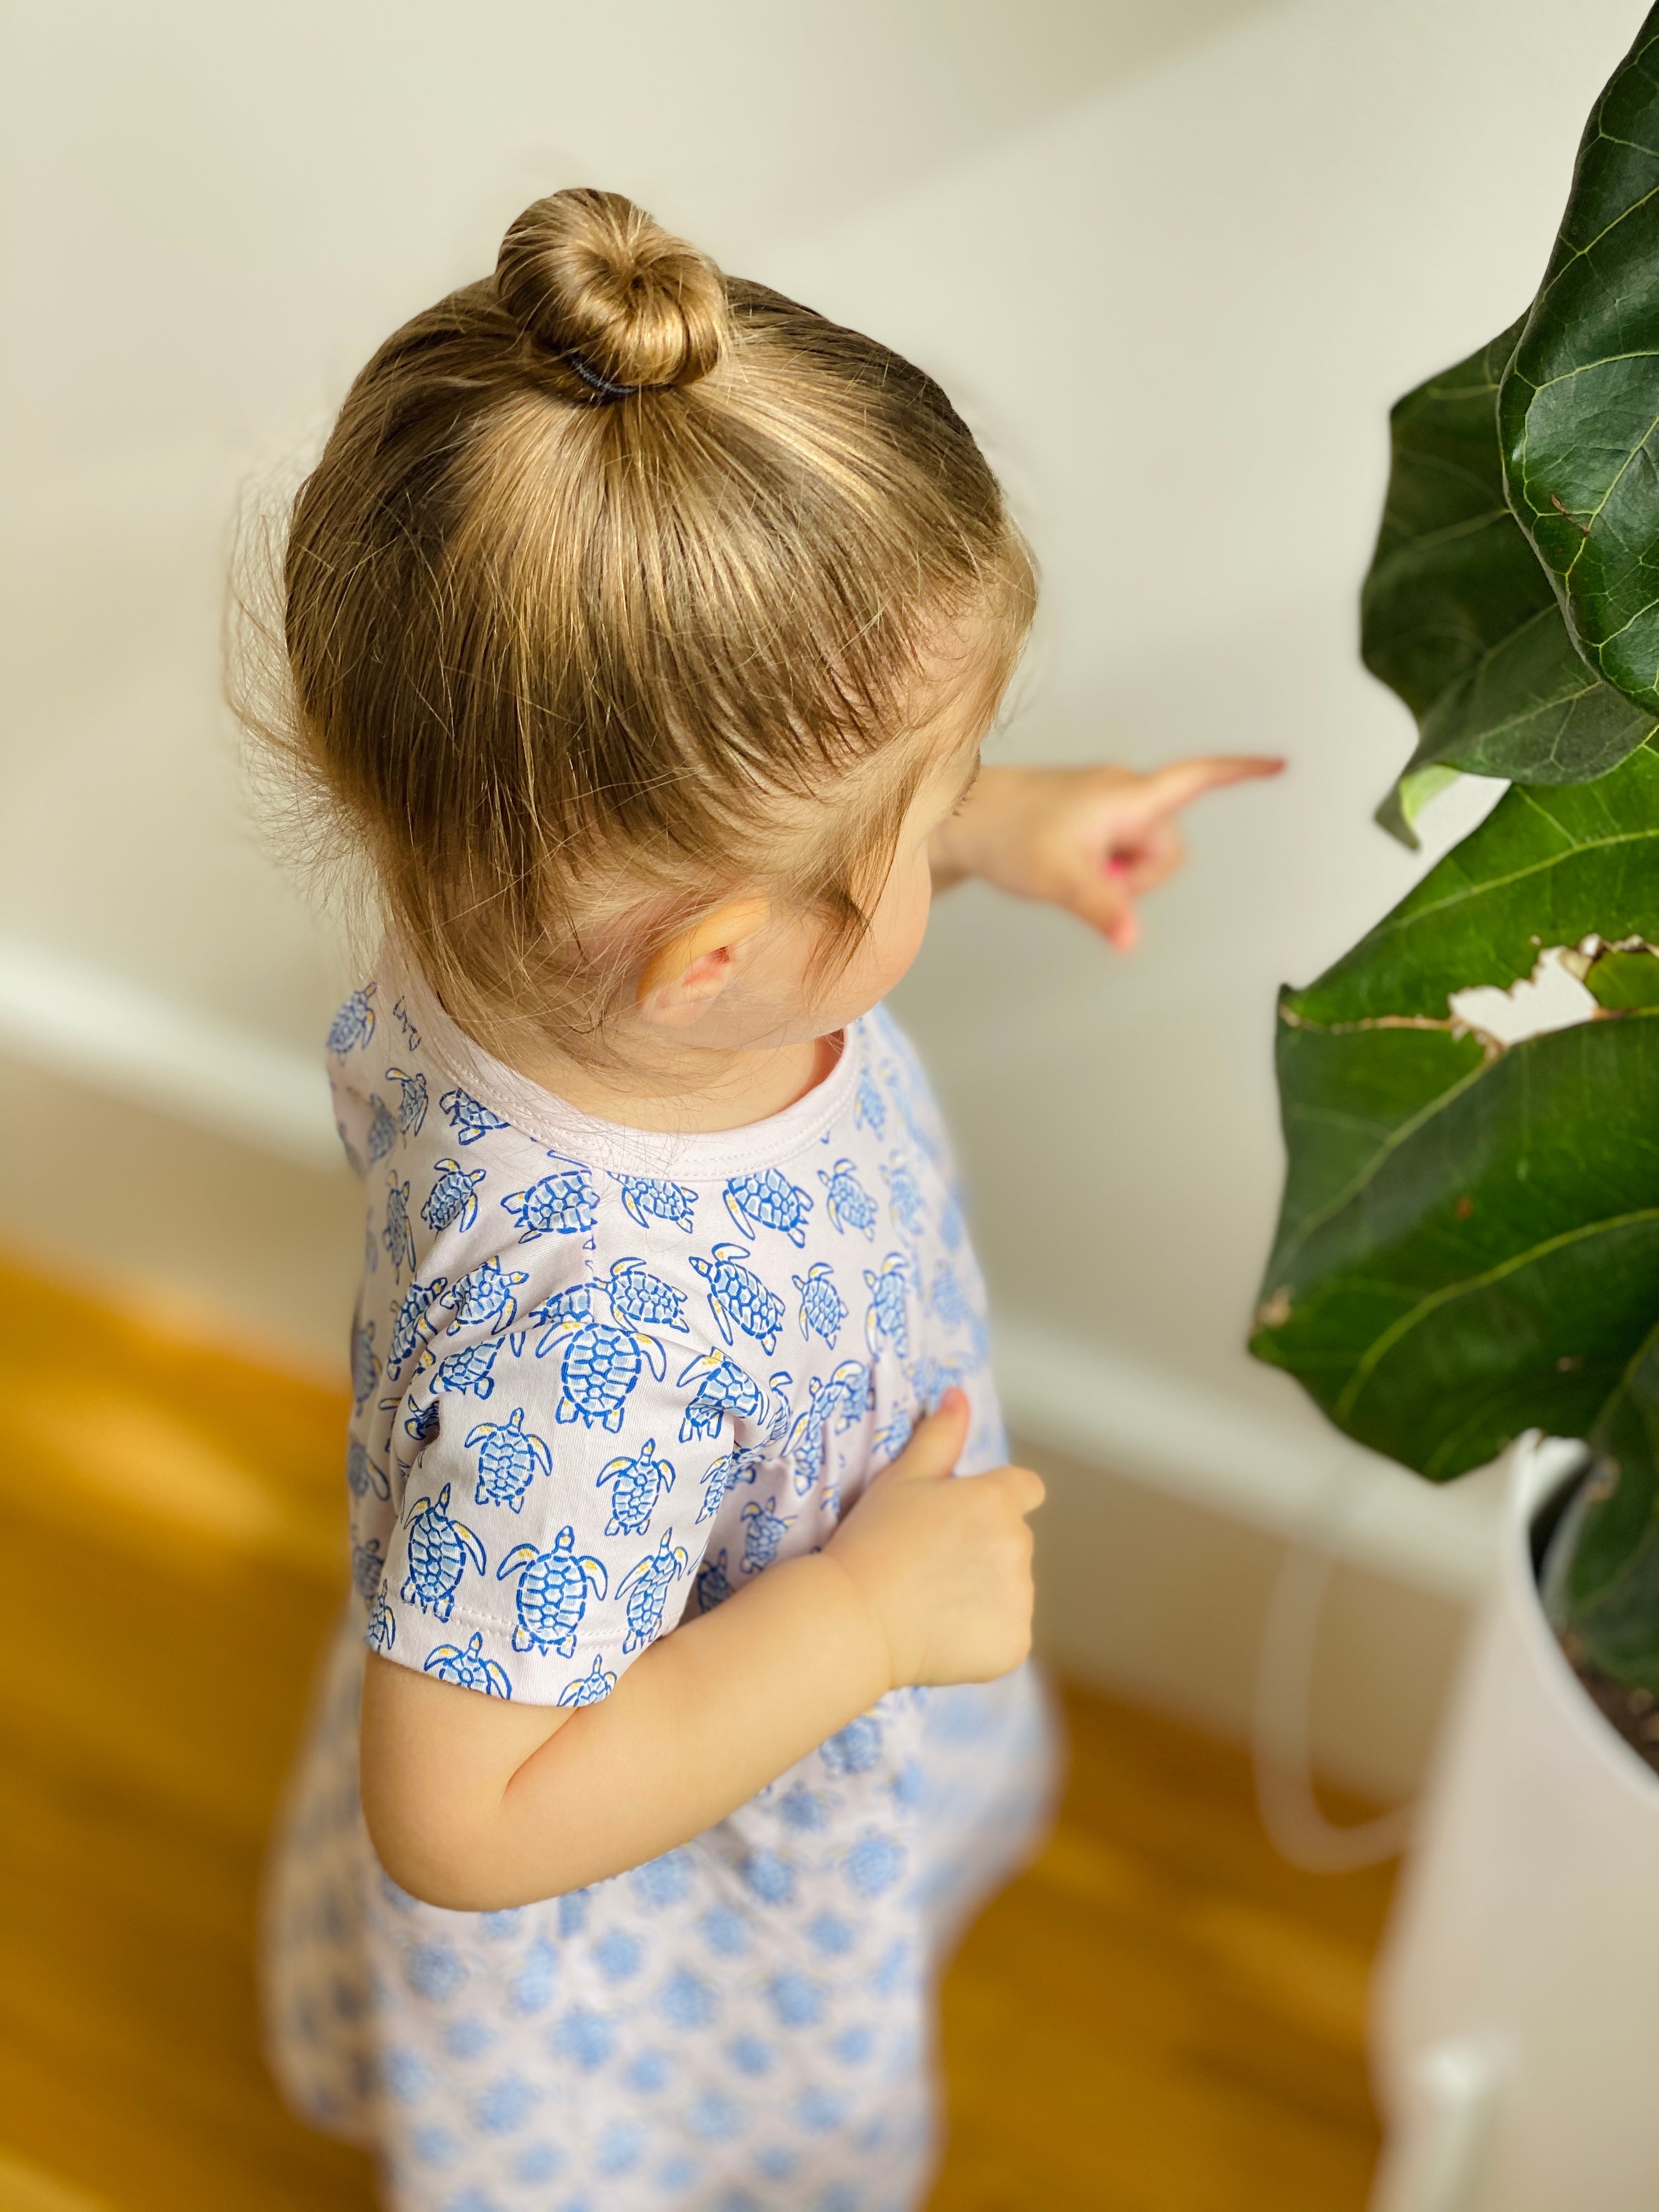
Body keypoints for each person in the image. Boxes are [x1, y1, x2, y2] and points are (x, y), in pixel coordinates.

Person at [257, 187, 1279, 2212]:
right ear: (713, 957)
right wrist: (860, 1617)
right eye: (927, 811)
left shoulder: (497, 879)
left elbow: (728, 822)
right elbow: (468, 1819)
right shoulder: (580, 1337)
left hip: (720, 1611)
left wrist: (1000, 827)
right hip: (665, 1867)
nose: (945, 820)